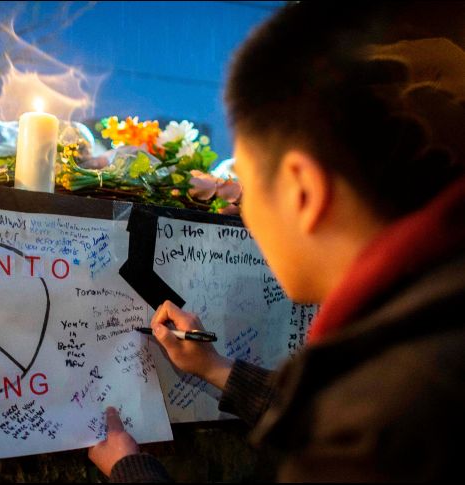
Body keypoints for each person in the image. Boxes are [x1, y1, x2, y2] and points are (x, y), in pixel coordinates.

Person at [89, 1, 465, 481]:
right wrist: (214, 367)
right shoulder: (430, 324)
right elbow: (318, 409)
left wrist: (131, 470)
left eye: (245, 183)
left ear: (303, 191)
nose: (243, 210)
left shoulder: (385, 422)